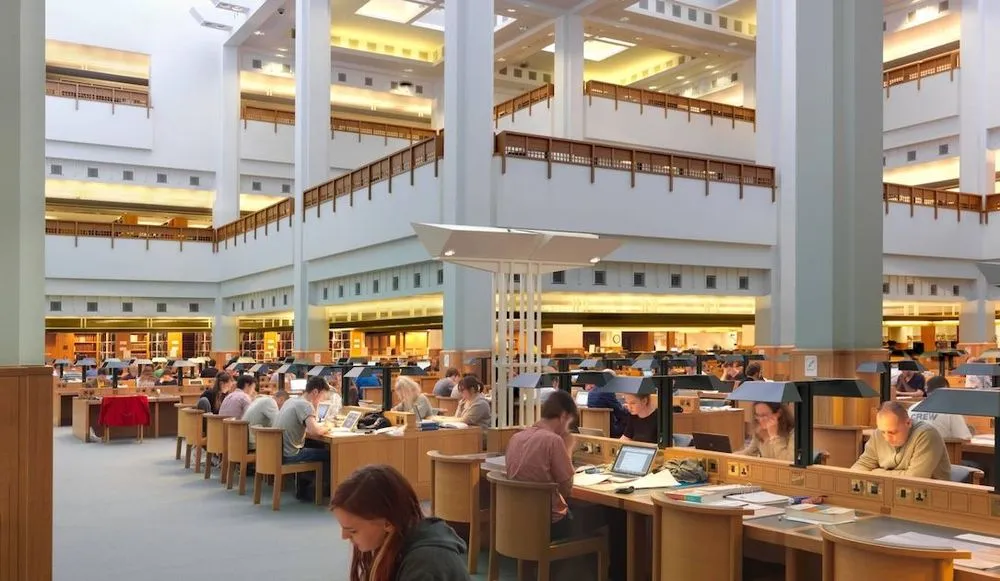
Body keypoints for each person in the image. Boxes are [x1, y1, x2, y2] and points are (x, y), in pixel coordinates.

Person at [331, 465, 469, 581]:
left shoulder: (426, 565)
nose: (344, 536)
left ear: (388, 523)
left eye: (353, 530)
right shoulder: (396, 542)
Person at [505, 390, 581, 539]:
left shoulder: (516, 438)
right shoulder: (553, 440)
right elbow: (567, 489)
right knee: (603, 514)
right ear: (564, 416)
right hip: (548, 524)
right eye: (569, 424)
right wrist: (568, 449)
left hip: (518, 519)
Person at [851, 401, 951, 480]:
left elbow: (915, 479)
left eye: (892, 432)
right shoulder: (878, 434)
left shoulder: (927, 435)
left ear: (908, 423)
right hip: (890, 493)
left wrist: (875, 472)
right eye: (883, 432)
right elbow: (861, 466)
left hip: (932, 495)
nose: (886, 438)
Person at [274, 376, 332, 500]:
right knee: (330, 454)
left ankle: (306, 488)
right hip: (291, 454)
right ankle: (322, 491)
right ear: (315, 392)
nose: (321, 401)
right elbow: (315, 431)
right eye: (322, 397)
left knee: (314, 446)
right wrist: (328, 426)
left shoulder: (291, 401)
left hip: (280, 451)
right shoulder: (306, 405)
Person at [908, 376, 973, 440]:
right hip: (942, 449)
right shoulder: (950, 410)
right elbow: (964, 438)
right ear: (946, 389)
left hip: (914, 449)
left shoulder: (912, 409)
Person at [585, 371, 628, 438]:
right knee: (631, 419)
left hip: (593, 428)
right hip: (609, 429)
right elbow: (620, 413)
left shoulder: (591, 392)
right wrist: (628, 409)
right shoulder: (608, 391)